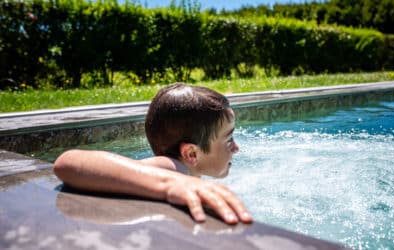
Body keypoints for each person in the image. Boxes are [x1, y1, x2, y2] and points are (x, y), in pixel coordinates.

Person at [54, 82, 252, 225]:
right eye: (228, 139)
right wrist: (170, 183)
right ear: (191, 154)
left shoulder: (187, 172)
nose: (236, 148)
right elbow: (68, 163)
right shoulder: (175, 169)